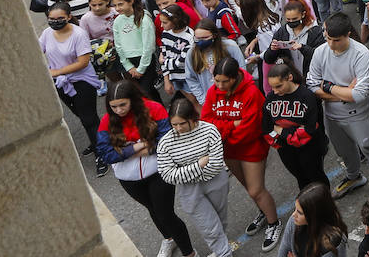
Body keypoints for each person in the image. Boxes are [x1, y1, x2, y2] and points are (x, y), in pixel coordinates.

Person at [96, 80, 197, 257]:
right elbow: (105, 154)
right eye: (113, 106)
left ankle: (189, 253)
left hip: (159, 171)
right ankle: (169, 239)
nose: (118, 110)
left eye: (122, 105)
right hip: (129, 179)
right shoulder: (107, 121)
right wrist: (138, 147)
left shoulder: (154, 109)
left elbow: (167, 141)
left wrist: (128, 152)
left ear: (132, 100)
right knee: (153, 210)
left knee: (165, 213)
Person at [307, 12, 369, 197]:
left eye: (336, 40)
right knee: (343, 150)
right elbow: (312, 84)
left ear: (347, 35)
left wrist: (328, 86)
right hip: (332, 114)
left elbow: (360, 95)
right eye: (328, 38)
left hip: (358, 113)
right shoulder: (320, 52)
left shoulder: (361, 54)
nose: (331, 44)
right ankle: (354, 176)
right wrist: (344, 93)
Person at [200, 56, 281, 246]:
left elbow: (250, 129)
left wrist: (222, 131)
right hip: (228, 150)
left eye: (224, 81)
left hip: (251, 148)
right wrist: (231, 126)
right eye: (216, 80)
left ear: (235, 76)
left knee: (256, 190)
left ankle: (274, 223)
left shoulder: (251, 92)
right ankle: (264, 212)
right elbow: (206, 121)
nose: (219, 85)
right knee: (248, 187)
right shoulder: (213, 92)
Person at [157, 99, 232, 257]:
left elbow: (216, 165)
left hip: (216, 182)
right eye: (174, 124)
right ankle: (225, 253)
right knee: (210, 228)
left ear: (193, 118)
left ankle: (220, 250)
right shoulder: (165, 143)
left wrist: (184, 172)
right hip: (190, 190)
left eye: (182, 123)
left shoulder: (210, 131)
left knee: (220, 221)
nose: (178, 129)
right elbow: (167, 175)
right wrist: (198, 165)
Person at [40, 1, 103, 168]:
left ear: (69, 17)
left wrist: (57, 72)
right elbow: (38, 50)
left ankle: (102, 153)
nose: (55, 22)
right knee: (81, 116)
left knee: (89, 118)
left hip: (81, 81)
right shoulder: (47, 33)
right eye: (51, 19)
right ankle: (97, 140)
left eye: (60, 18)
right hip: (61, 83)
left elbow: (83, 62)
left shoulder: (79, 34)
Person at [263, 60, 329, 192]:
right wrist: (283, 135)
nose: (275, 91)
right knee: (301, 178)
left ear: (290, 78)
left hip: (310, 147)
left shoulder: (307, 96)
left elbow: (310, 129)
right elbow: (266, 127)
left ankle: (326, 205)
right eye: (272, 87)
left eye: (279, 86)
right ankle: (307, 208)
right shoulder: (271, 98)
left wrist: (281, 130)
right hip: (285, 148)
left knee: (316, 177)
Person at [274, 183, 350, 257]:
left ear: (314, 216)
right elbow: (285, 247)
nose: (294, 214)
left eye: (300, 213)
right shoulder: (294, 221)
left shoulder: (331, 243)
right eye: (295, 209)